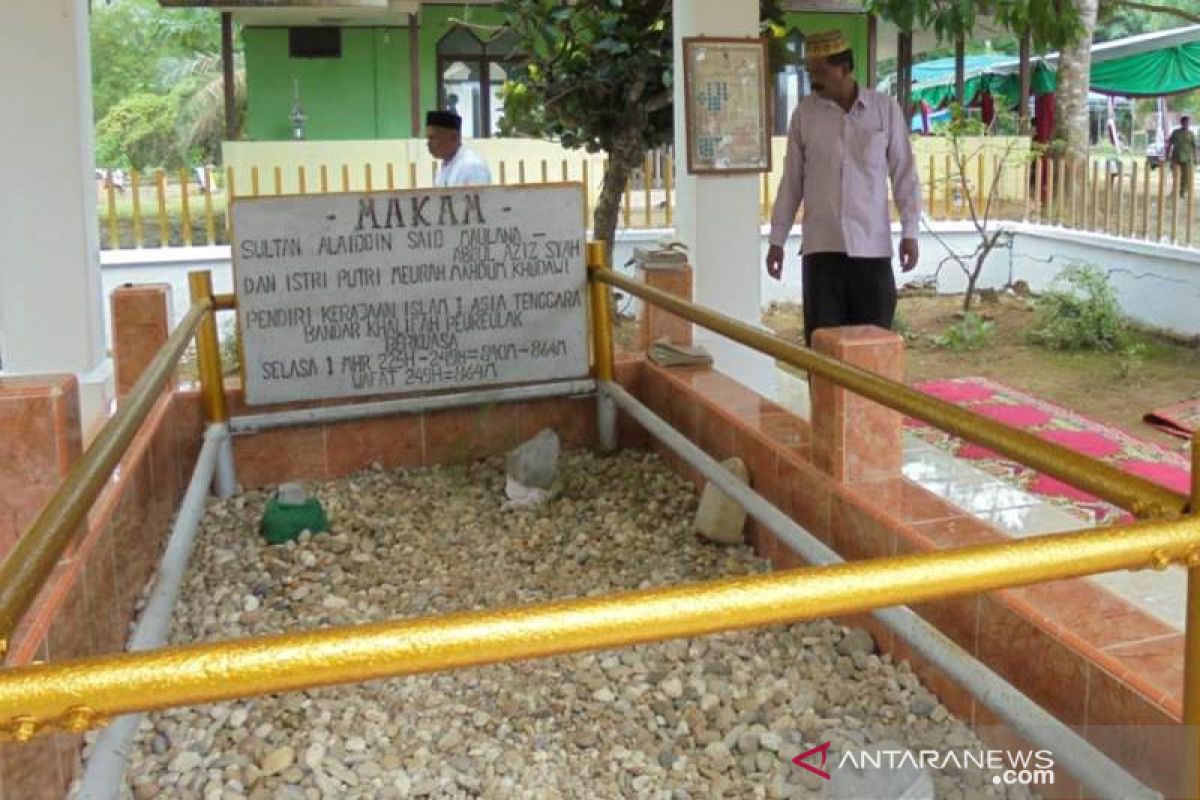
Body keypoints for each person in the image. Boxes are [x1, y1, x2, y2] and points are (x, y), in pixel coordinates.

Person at [765, 30, 920, 346]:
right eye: (810, 73)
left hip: (872, 250)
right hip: (822, 252)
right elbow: (791, 181)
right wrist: (777, 240)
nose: (814, 81)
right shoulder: (805, 115)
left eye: (820, 73)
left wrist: (910, 232)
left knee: (872, 350)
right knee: (824, 351)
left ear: (845, 69)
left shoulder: (884, 110)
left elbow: (904, 174)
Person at [426, 109, 492, 187]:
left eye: (433, 138)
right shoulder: (442, 168)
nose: (428, 143)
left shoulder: (472, 167)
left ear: (454, 138)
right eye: (428, 138)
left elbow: (478, 198)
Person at [1165, 115, 1196, 198]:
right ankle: (1174, 192)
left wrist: (1196, 158)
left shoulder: (1191, 134)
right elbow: (1169, 144)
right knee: (1175, 175)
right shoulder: (1175, 133)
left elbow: (1194, 146)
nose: (1186, 124)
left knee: (1185, 177)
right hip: (1176, 157)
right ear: (1181, 123)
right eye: (1185, 122)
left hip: (1187, 158)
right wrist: (1167, 155)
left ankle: (1182, 192)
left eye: (1188, 123)